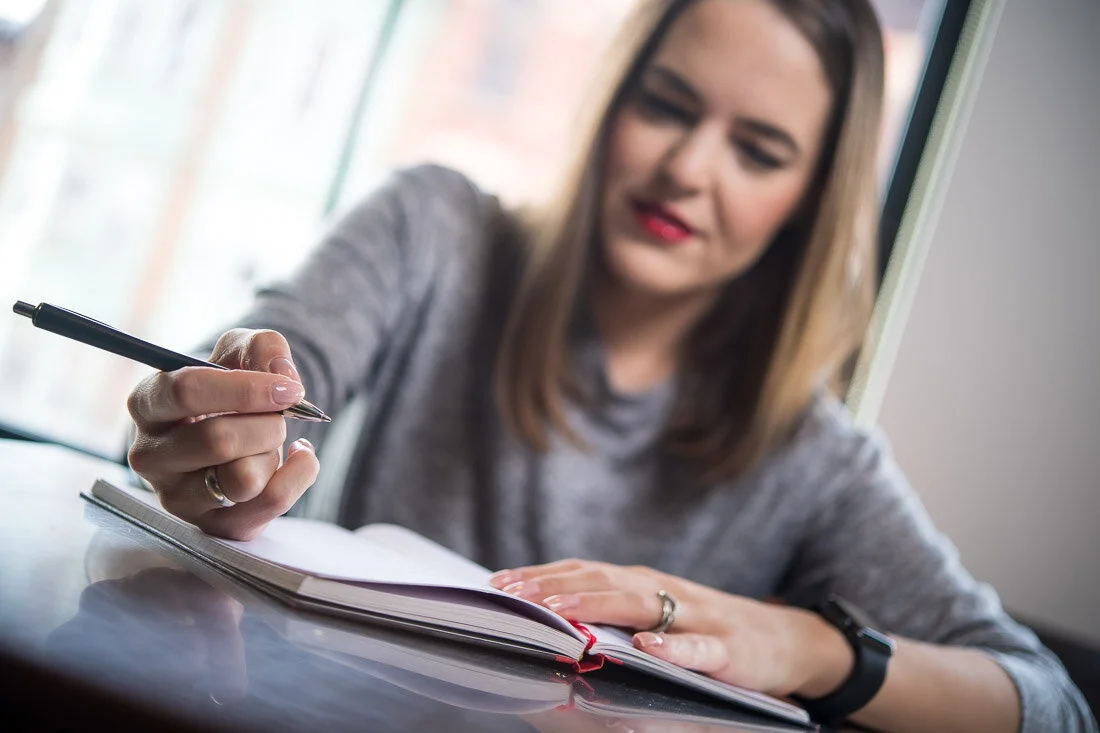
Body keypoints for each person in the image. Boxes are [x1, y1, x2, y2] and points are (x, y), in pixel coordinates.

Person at [124, 1, 1096, 731]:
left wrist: (802, 645)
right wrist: (215, 433)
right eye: (666, 104)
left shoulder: (812, 459)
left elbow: (1053, 705)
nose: (687, 169)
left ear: (804, 202)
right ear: (612, 97)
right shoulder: (435, 231)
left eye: (756, 152)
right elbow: (263, 365)